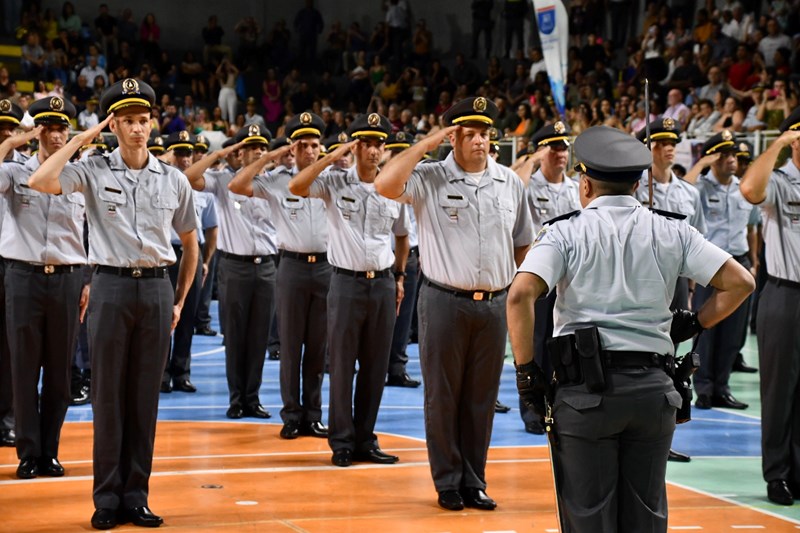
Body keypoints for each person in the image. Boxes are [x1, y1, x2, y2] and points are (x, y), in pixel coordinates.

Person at [507, 125, 754, 532]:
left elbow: (519, 297)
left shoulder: (565, 232)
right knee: (646, 514)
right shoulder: (673, 229)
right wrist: (694, 322)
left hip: (587, 397)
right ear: (638, 183)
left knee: (589, 516)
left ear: (584, 184)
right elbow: (741, 282)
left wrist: (525, 371)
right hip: (654, 393)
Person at [28, 78, 198, 530]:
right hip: (110, 288)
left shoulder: (174, 179)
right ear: (113, 125)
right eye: (127, 121)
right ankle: (106, 498)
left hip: (157, 289)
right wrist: (83, 140)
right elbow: (41, 179)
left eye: (144, 120)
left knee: (144, 400)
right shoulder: (93, 169)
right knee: (108, 397)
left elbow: (189, 241)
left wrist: (179, 299)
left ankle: (136, 495)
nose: (138, 129)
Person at [375, 96, 533, 511]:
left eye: (483, 133)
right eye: (469, 133)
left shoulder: (509, 182)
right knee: (443, 396)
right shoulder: (430, 177)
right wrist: (426, 143)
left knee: (481, 399)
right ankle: (447, 480)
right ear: (452, 138)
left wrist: (515, 290)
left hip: (494, 304)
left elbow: (523, 243)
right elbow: (385, 184)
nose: (479, 140)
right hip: (445, 300)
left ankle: (474, 480)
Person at [288, 112, 409, 467]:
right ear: (355, 147)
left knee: (375, 366)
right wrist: (331, 155)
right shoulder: (334, 183)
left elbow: (402, 236)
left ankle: (365, 439)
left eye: (378, 144)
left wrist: (400, 276)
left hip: (383, 283)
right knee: (341, 365)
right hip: (344, 283)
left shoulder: (394, 187)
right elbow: (297, 186)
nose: (373, 150)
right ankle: (342, 441)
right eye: (366, 143)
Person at [0, 96, 87, 481]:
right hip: (23, 276)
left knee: (58, 374)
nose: (56, 134)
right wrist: (10, 143)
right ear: (37, 131)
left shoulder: (81, 176)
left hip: (68, 279)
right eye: (48, 127)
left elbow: (93, 232)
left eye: (61, 127)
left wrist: (88, 281)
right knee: (23, 369)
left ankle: (49, 451)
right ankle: (28, 452)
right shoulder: (14, 172)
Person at [228, 112, 330, 440]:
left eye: (315, 145)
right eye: (303, 145)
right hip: (291, 266)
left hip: (327, 267)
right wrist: (270, 157)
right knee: (290, 346)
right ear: (293, 147)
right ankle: (291, 415)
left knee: (317, 348)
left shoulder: (329, 178)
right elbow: (237, 184)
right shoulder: (276, 179)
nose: (310, 151)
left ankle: (313, 415)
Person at [183, 124, 277, 421]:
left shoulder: (275, 182)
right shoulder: (223, 180)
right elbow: (188, 177)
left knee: (259, 336)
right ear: (241, 152)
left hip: (267, 266)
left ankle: (254, 397)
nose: (258, 152)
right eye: (251, 148)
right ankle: (236, 399)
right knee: (235, 336)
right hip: (234, 266)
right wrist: (220, 153)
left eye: (262, 147)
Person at [635, 117, 707, 463]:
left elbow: (699, 243)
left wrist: (691, 289)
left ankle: (665, 434)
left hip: (675, 282)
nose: (668, 147)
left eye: (671, 142)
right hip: (641, 280)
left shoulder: (688, 193)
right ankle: (640, 432)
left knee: (672, 362)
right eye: (659, 142)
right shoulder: (634, 190)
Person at [740, 106, 800, 505]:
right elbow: (749, 190)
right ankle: (777, 474)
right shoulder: (780, 181)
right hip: (786, 294)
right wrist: (778, 143)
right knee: (780, 392)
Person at [514, 121, 579, 434]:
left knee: (563, 345)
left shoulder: (575, 188)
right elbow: (511, 185)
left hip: (568, 279)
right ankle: (532, 409)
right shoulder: (528, 184)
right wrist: (531, 160)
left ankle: (559, 403)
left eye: (564, 147)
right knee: (535, 344)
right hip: (538, 279)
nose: (561, 153)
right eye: (553, 147)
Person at [687, 130, 759, 410]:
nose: (732, 160)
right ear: (714, 157)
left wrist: (753, 261)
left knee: (733, 334)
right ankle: (703, 388)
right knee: (706, 330)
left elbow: (752, 227)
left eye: (734, 156)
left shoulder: (743, 189)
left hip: (739, 263)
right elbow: (681, 192)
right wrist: (703, 164)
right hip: (711, 267)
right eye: (726, 155)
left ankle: (722, 387)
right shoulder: (700, 189)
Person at [161, 131, 218, 394]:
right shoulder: (160, 181)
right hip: (165, 254)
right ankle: (161, 373)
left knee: (187, 317)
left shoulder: (202, 189)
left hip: (191, 254)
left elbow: (211, 228)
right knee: (162, 317)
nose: (185, 158)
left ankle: (181, 372)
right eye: (180, 152)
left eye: (188, 153)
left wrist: (205, 262)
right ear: (170, 153)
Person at [382, 131, 422, 389]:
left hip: (411, 256)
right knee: (381, 318)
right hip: (382, 257)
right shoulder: (379, 183)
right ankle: (373, 366)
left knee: (404, 318)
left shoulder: (421, 183)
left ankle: (397, 368)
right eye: (395, 153)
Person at [0, 99, 26, 449]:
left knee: (9, 348)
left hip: (11, 263)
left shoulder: (27, 168)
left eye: (10, 129)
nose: (5, 134)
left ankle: (7, 419)